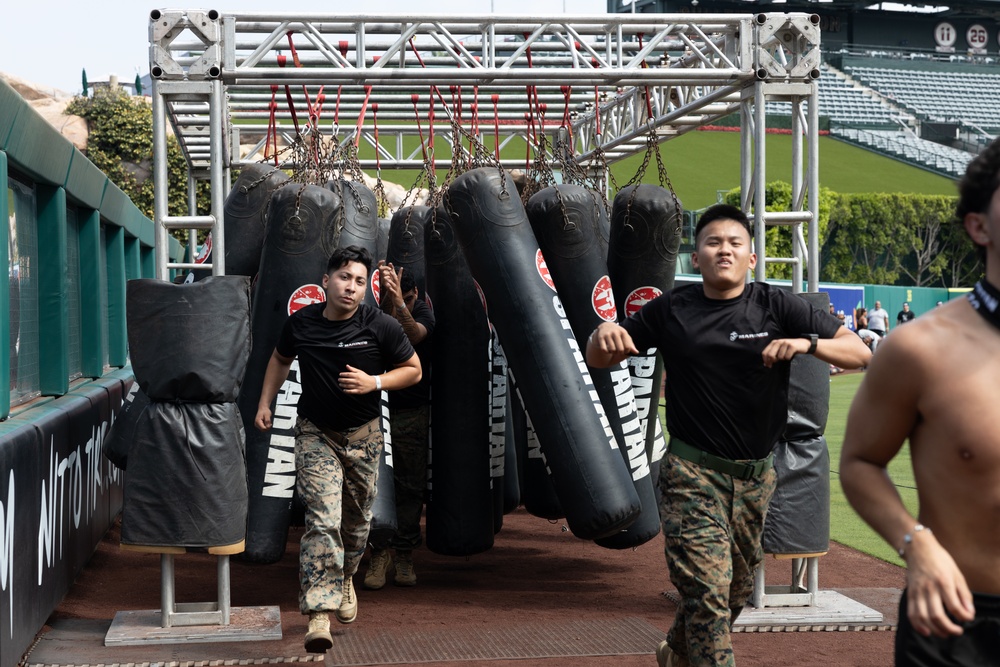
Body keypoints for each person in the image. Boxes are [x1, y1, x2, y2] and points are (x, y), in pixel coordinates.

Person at [585, 204, 871, 667]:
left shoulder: (777, 305)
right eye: (713, 242)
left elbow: (860, 353)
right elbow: (602, 357)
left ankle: (676, 652)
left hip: (756, 480)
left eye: (735, 243)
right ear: (694, 258)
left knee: (732, 592)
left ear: (751, 257)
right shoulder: (672, 308)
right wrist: (602, 337)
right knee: (707, 589)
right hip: (691, 475)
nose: (724, 250)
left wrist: (806, 343)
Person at [840, 137, 1000, 666]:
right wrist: (917, 545)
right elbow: (860, 462)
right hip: (957, 624)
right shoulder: (920, 348)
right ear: (979, 227)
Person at [254, 245, 422, 654]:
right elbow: (279, 358)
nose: (352, 287)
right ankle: (318, 614)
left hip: (364, 438)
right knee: (322, 519)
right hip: (316, 433)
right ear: (326, 281)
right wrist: (265, 402)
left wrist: (374, 383)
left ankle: (346, 575)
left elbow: (413, 370)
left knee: (357, 522)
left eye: (360, 282)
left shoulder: (380, 326)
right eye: (345, 278)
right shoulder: (301, 323)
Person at [364, 264, 435, 590]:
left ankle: (404, 554)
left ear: (415, 294)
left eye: (407, 295)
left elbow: (414, 334)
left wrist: (399, 302)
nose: (400, 299)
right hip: (375, 409)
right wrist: (388, 303)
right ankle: (379, 553)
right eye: (394, 294)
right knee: (373, 486)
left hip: (410, 412)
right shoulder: (370, 310)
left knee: (409, 486)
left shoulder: (421, 309)